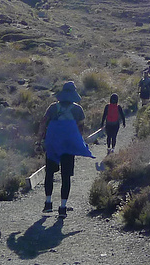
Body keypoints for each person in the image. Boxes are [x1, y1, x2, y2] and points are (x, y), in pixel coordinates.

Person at [38, 81, 94, 217]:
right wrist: (79, 143)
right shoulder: (78, 110)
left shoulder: (53, 108)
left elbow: (43, 122)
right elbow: (80, 129)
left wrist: (39, 140)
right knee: (66, 176)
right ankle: (62, 207)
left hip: (53, 143)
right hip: (68, 145)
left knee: (49, 173)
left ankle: (48, 203)